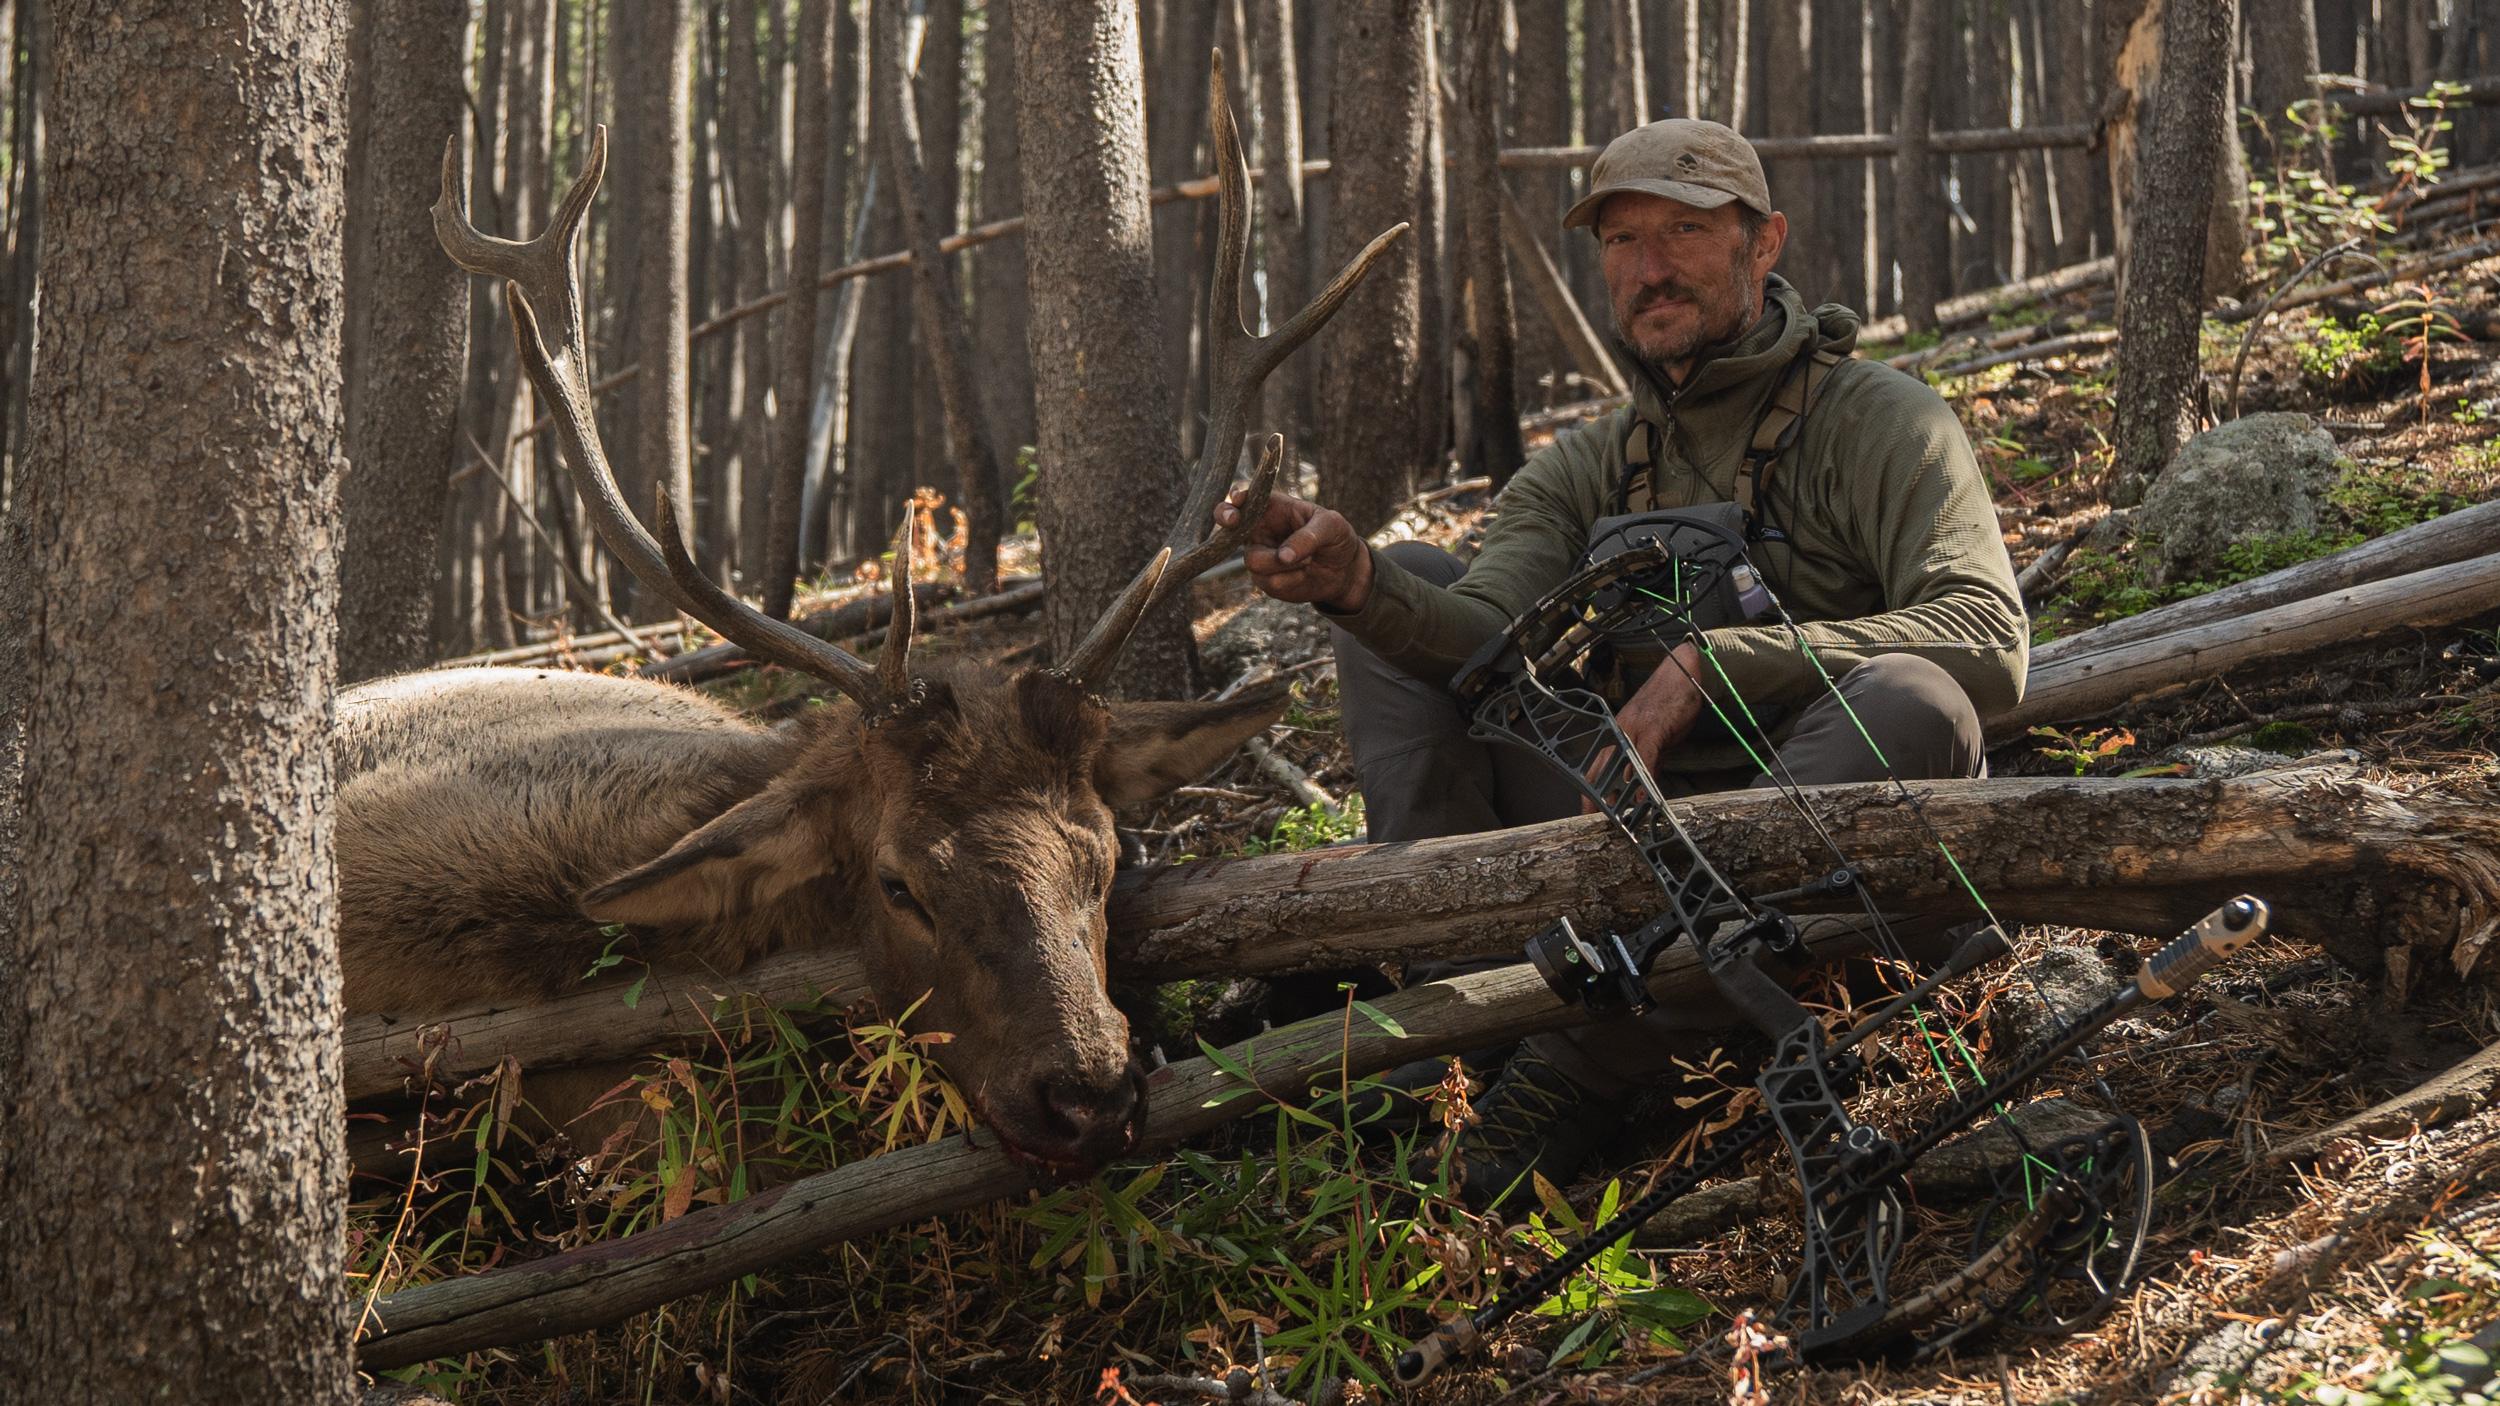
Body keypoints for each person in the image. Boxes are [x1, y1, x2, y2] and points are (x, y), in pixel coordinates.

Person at [1214, 118, 2028, 1207]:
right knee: (1407, 574)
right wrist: (1359, 583)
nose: (1650, 268)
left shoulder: (1882, 423)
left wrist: (1723, 663)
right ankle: (1459, 1026)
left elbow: (1984, 634)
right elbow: (1480, 630)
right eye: (1622, 240)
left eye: (1685, 232)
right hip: (1612, 836)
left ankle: (1577, 1070)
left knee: (1916, 701)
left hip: (1808, 855)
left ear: (1764, 242)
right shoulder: (1589, 464)